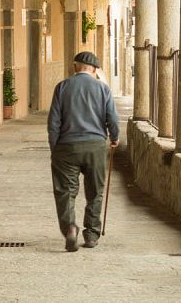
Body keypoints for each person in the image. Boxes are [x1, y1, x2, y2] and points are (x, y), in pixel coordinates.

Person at [47, 52, 119, 252]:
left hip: (66, 146)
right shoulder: (103, 89)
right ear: (95, 70)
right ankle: (91, 234)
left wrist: (55, 148)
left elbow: (53, 122)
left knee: (65, 192)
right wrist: (114, 137)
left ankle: (70, 228)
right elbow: (112, 118)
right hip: (95, 146)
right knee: (95, 191)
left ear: (75, 67)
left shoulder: (62, 87)